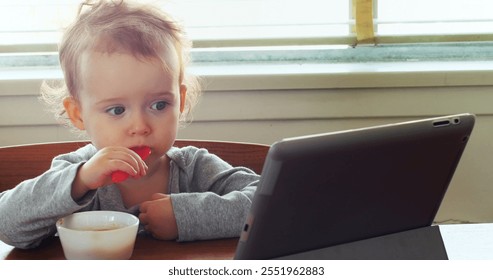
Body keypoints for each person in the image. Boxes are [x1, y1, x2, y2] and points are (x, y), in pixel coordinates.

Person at [0, 0, 259, 249]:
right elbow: (6, 224)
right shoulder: (74, 175)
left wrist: (187, 215)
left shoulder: (193, 168)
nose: (140, 126)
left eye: (159, 105)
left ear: (180, 102)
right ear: (78, 114)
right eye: (117, 110)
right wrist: (80, 182)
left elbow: (271, 203)